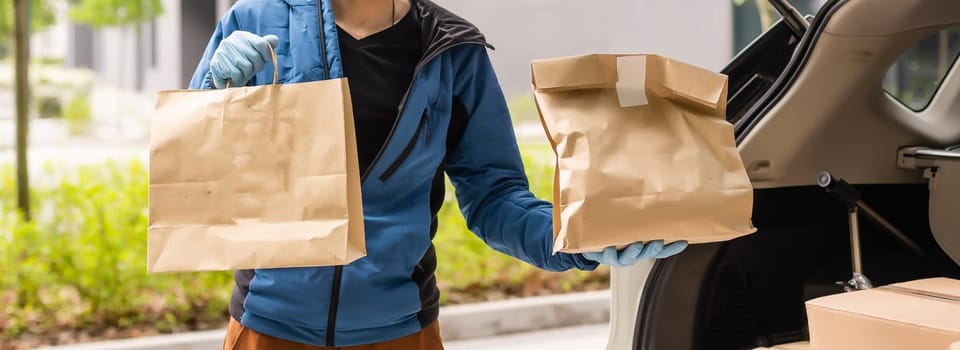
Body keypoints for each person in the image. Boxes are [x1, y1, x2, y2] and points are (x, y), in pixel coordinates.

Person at [189, 0, 688, 349]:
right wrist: (212, 86)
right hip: (269, 326)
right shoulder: (256, 19)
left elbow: (496, 197)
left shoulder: (453, 51)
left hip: (401, 331)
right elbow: (194, 159)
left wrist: (577, 237)